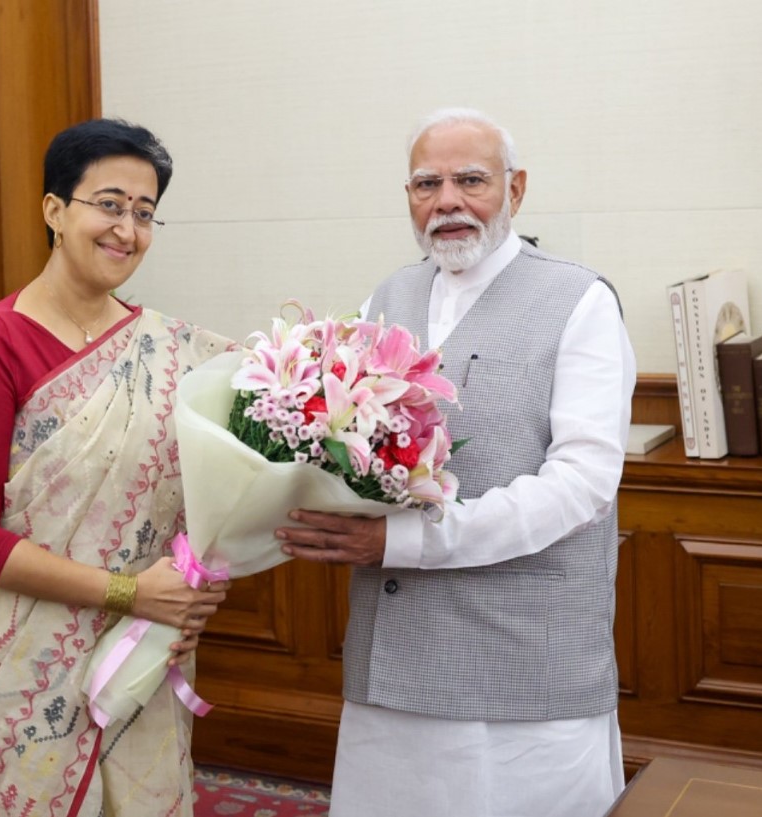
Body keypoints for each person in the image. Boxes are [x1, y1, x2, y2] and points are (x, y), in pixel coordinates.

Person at [276, 108, 637, 817]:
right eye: (426, 184)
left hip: (522, 660)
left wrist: (406, 539)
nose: (446, 201)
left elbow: (583, 485)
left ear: (515, 188)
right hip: (394, 650)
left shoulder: (580, 300)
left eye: (470, 180)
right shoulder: (385, 299)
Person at [0, 118, 234, 816]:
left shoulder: (169, 349)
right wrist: (128, 591)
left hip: (134, 652)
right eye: (109, 205)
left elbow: (207, 503)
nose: (127, 229)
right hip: (13, 663)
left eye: (145, 213)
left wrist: (186, 591)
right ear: (55, 210)